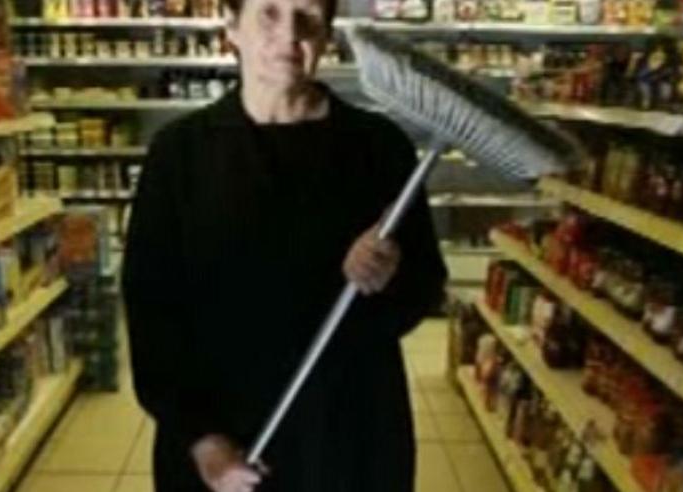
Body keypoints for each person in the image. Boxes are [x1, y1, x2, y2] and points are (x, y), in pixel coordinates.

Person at [121, 0, 447, 488]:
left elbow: (425, 287)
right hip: (222, 438)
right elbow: (151, 310)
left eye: (307, 16)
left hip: (348, 434)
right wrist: (202, 440)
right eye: (269, 12)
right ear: (232, 26)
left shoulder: (379, 148)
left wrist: (388, 275)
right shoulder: (179, 154)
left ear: (328, 33)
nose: (290, 33)